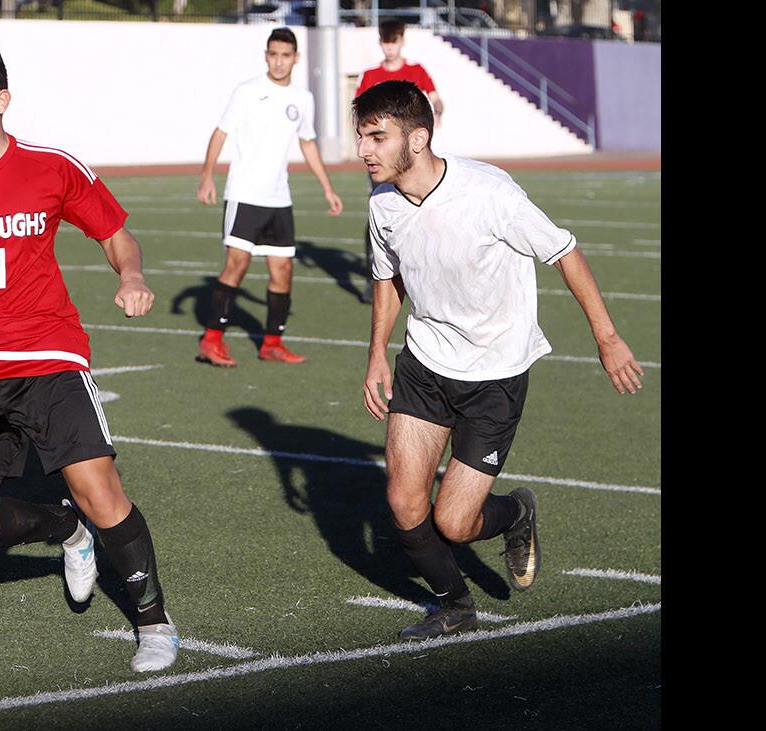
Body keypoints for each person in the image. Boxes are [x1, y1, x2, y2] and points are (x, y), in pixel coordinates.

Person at [0, 37, 178, 673]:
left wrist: (129, 275)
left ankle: (154, 623)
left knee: (102, 490)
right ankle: (65, 532)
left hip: (50, 358)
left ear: (1, 99)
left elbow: (114, 233)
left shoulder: (52, 167)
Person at [355, 80, 644, 639]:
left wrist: (607, 338)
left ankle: (515, 513)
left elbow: (564, 252)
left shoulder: (490, 192)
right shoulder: (382, 202)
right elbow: (386, 278)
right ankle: (454, 604)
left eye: (376, 136)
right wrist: (376, 356)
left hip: (494, 375)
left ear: (416, 138)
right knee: (402, 499)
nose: (365, 150)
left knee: (455, 523)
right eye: (362, 136)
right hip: (424, 362)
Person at [195, 27, 343, 367]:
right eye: (273, 54)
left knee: (283, 271)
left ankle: (272, 343)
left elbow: (307, 142)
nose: (278, 62)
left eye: (285, 55)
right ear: (266, 56)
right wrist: (207, 175)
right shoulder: (247, 91)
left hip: (279, 199)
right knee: (238, 264)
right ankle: (211, 339)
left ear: (296, 58)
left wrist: (327, 187)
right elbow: (221, 132)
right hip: (244, 195)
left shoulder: (303, 99)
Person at [355, 18, 444, 304]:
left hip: (412, 158)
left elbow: (434, 98)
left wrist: (437, 113)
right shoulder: (370, 76)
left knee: (426, 209)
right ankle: (377, 274)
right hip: (384, 160)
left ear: (402, 40)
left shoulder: (416, 71)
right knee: (380, 210)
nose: (389, 47)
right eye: (385, 42)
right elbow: (360, 113)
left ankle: (427, 269)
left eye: (393, 41)